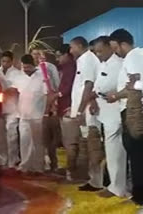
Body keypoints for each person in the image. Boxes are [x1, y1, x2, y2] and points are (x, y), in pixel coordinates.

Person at [106, 29, 143, 205]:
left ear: (122, 44)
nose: (115, 52)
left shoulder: (134, 56)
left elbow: (135, 85)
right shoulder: (136, 56)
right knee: (135, 153)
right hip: (134, 109)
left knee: (137, 153)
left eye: (115, 47)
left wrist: (116, 96)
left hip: (135, 110)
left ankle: (139, 196)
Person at [88, 36, 127, 198]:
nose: (98, 54)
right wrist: (94, 98)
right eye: (96, 51)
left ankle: (117, 188)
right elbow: (98, 86)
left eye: (100, 50)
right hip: (104, 111)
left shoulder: (117, 64)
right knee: (110, 151)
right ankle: (114, 185)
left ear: (110, 47)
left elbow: (108, 86)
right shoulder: (103, 64)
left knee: (115, 152)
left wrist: (96, 94)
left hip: (114, 112)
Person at [70, 36, 104, 191]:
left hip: (88, 110)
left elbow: (88, 84)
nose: (71, 51)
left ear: (78, 46)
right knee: (89, 145)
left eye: (72, 47)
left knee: (93, 146)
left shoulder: (87, 59)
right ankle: (93, 179)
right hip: (85, 109)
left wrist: (81, 109)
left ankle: (97, 181)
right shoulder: (84, 59)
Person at [11, 54, 47, 173]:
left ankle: (38, 167)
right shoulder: (19, 77)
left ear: (33, 65)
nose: (26, 70)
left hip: (38, 115)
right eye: (24, 67)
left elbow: (47, 94)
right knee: (24, 141)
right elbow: (14, 92)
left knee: (37, 142)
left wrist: (47, 111)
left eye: (28, 67)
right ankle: (25, 166)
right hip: (23, 114)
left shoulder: (42, 76)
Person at [30, 47, 61, 172]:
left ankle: (54, 164)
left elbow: (57, 84)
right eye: (34, 54)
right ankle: (41, 164)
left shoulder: (49, 67)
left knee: (53, 137)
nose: (36, 56)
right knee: (41, 138)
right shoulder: (30, 70)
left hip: (51, 105)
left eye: (39, 53)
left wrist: (55, 102)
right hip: (38, 108)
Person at [0, 51, 21, 169]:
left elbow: (16, 89)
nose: (5, 63)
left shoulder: (18, 73)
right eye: (3, 61)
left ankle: (12, 161)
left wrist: (5, 91)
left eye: (7, 61)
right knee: (0, 136)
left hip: (13, 107)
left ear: (12, 61)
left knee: (12, 135)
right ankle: (1, 160)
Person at [54, 44, 77, 180]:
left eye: (59, 56)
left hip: (69, 108)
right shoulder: (63, 68)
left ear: (66, 55)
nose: (57, 59)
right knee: (67, 141)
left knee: (70, 142)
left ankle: (72, 171)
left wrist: (55, 95)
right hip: (63, 108)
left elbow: (66, 89)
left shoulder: (71, 67)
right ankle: (71, 168)